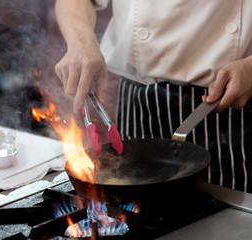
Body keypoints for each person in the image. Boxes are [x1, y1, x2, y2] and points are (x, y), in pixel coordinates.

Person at [54, 0, 252, 193]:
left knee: (229, 217)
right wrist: (82, 43)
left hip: (227, 99)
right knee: (130, 208)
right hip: (138, 101)